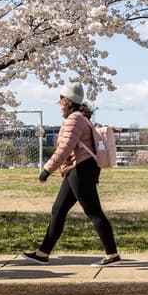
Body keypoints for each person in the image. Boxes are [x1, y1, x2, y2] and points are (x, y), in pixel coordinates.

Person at [22, 83, 120, 267]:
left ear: (67, 100)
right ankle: (43, 253)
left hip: (80, 169)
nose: (59, 102)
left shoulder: (74, 120)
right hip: (79, 169)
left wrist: (46, 170)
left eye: (61, 98)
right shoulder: (82, 118)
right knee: (58, 209)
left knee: (93, 211)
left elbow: (65, 148)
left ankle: (112, 254)